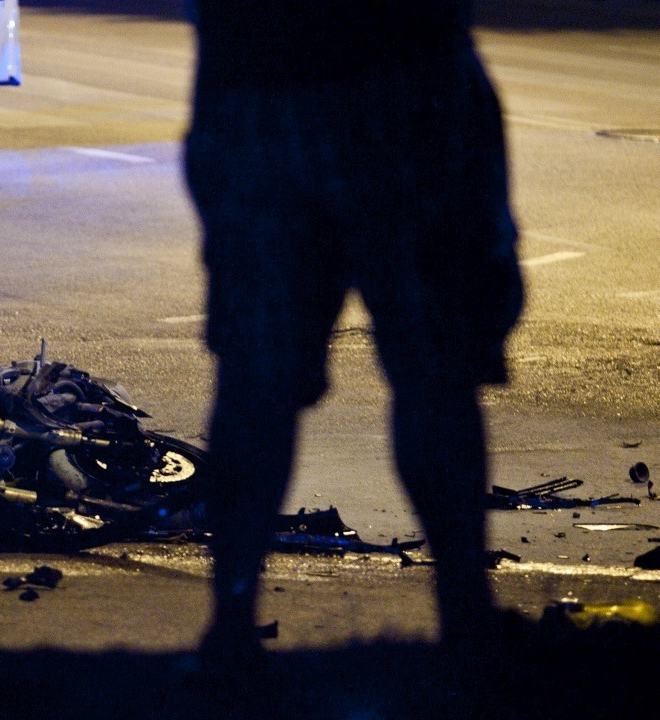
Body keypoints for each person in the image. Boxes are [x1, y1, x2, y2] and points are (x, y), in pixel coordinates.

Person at [184, 1, 524, 672]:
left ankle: (231, 625)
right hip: (403, 81)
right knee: (436, 366)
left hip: (261, 83)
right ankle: (466, 616)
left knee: (258, 374)